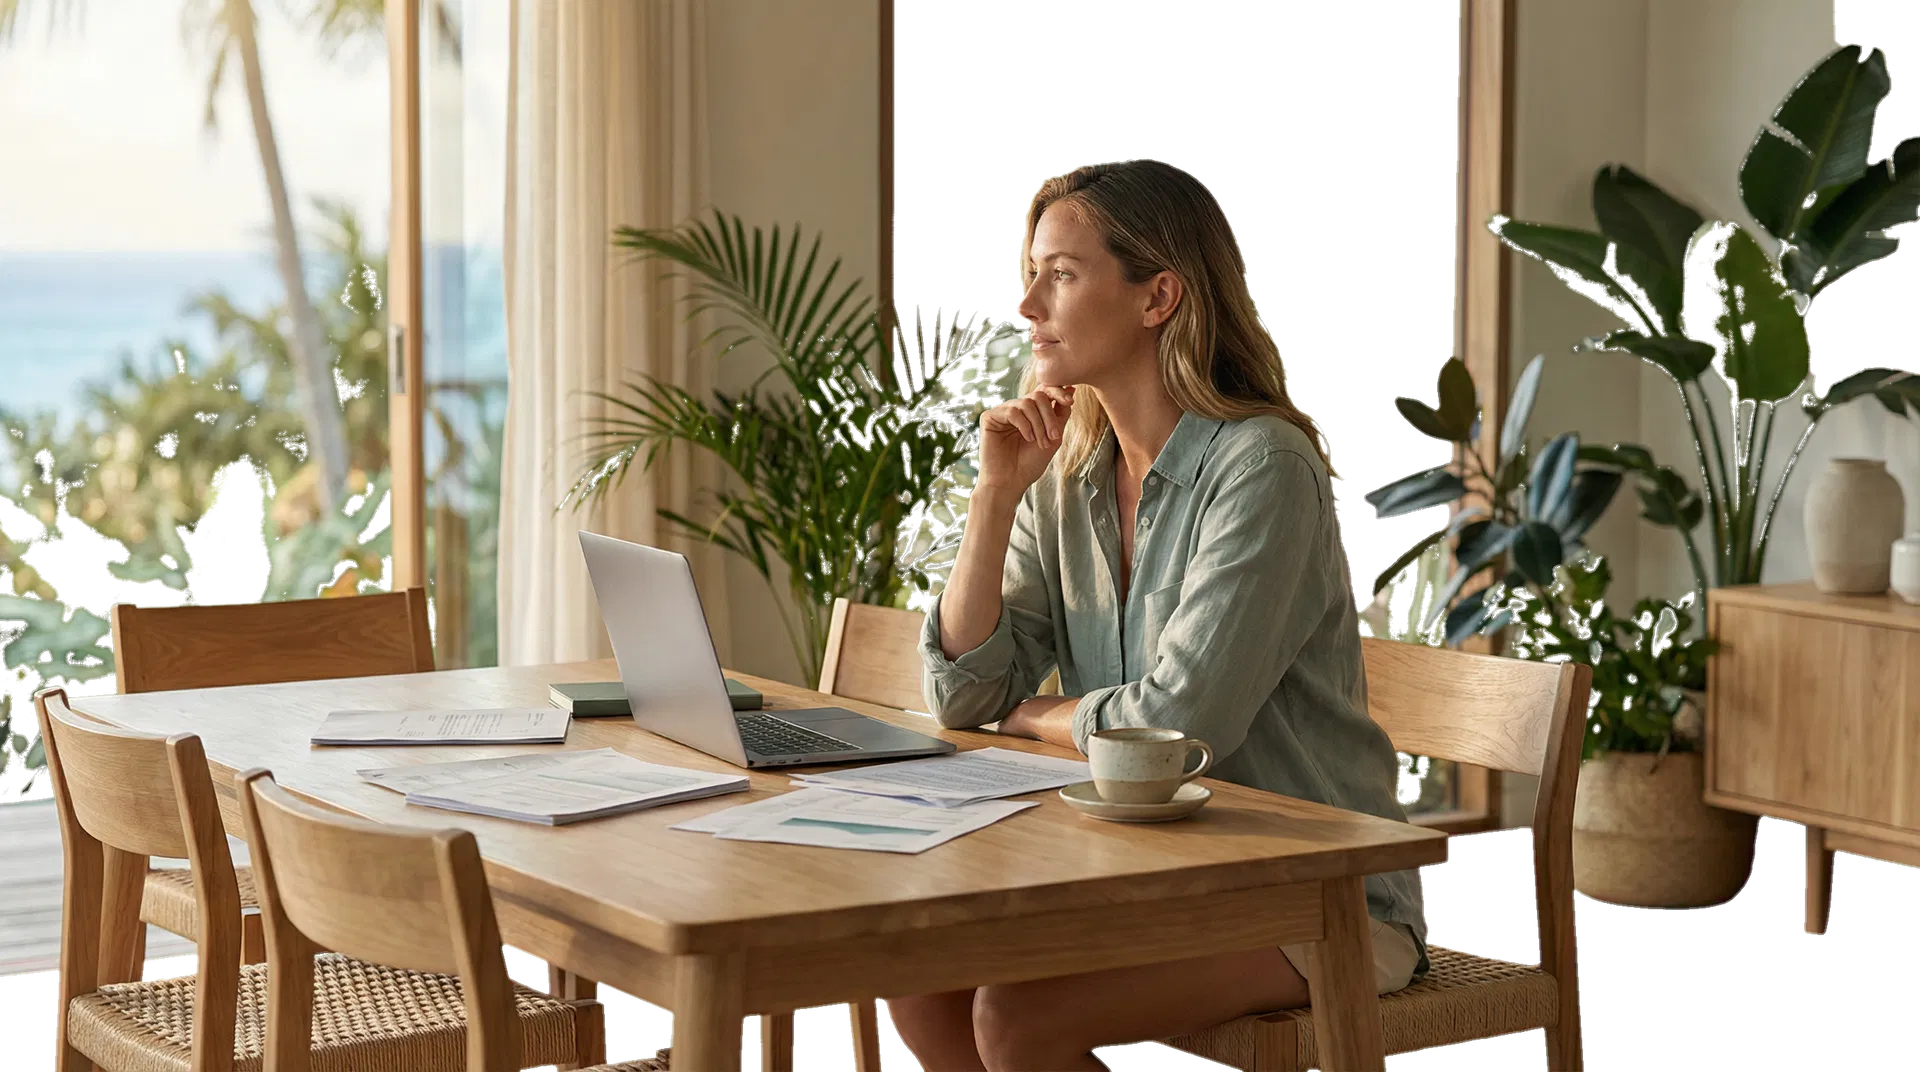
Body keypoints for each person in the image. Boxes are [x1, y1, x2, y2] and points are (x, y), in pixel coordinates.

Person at [894, 159, 1431, 1071]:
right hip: (1149, 876)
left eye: (1060, 275)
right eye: (1033, 273)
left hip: (1314, 902)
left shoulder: (1263, 467)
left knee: (1017, 1020)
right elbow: (965, 694)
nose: (1027, 306)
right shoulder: (1063, 475)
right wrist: (993, 496)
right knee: (917, 973)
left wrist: (1034, 716)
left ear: (1158, 297)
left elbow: (1180, 727)